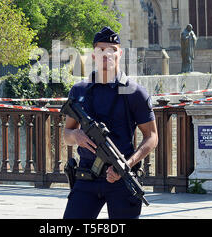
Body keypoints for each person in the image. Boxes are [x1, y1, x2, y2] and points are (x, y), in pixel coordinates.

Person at [62, 26, 158, 219]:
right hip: (86, 178)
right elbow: (67, 134)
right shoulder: (80, 90)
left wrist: (127, 164)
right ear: (94, 55)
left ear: (120, 53)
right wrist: (76, 136)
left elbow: (152, 136)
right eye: (101, 50)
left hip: (121, 178)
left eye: (112, 50)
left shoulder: (133, 91)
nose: (107, 55)